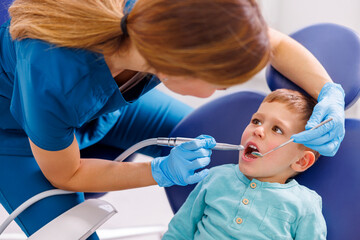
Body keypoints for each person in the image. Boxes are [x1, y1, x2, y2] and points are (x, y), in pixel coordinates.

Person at [0, 0, 343, 238]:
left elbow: (274, 45)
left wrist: (329, 90)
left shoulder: (177, 20)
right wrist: (159, 171)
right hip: (16, 136)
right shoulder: (54, 73)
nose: (224, 88)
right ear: (173, 68)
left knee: (221, 149)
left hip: (105, 106)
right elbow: (66, 172)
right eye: (219, 80)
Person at [162, 88, 327, 240]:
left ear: (300, 161)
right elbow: (179, 232)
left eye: (277, 129)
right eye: (256, 121)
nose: (258, 130)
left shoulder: (305, 205)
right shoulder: (216, 177)